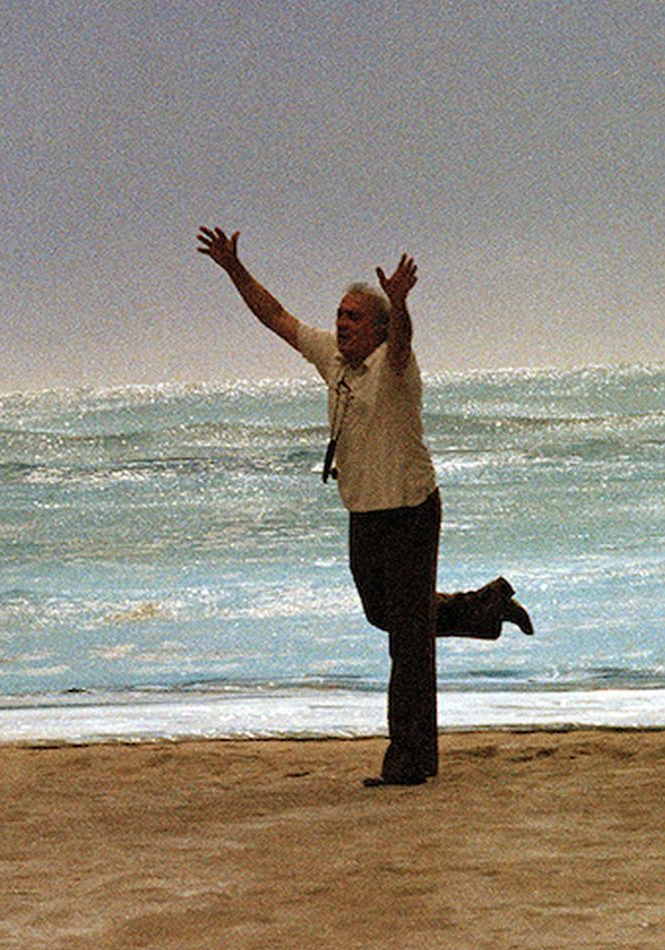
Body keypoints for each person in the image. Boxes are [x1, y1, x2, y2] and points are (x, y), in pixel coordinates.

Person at [198, 226, 532, 786]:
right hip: (364, 513)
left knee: (408, 642)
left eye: (354, 317)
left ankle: (410, 762)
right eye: (340, 314)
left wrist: (400, 304)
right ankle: (484, 606)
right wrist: (235, 269)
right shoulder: (333, 359)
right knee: (387, 615)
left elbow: (402, 340)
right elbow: (276, 317)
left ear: (376, 330)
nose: (342, 324)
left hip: (409, 510)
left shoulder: (395, 366)